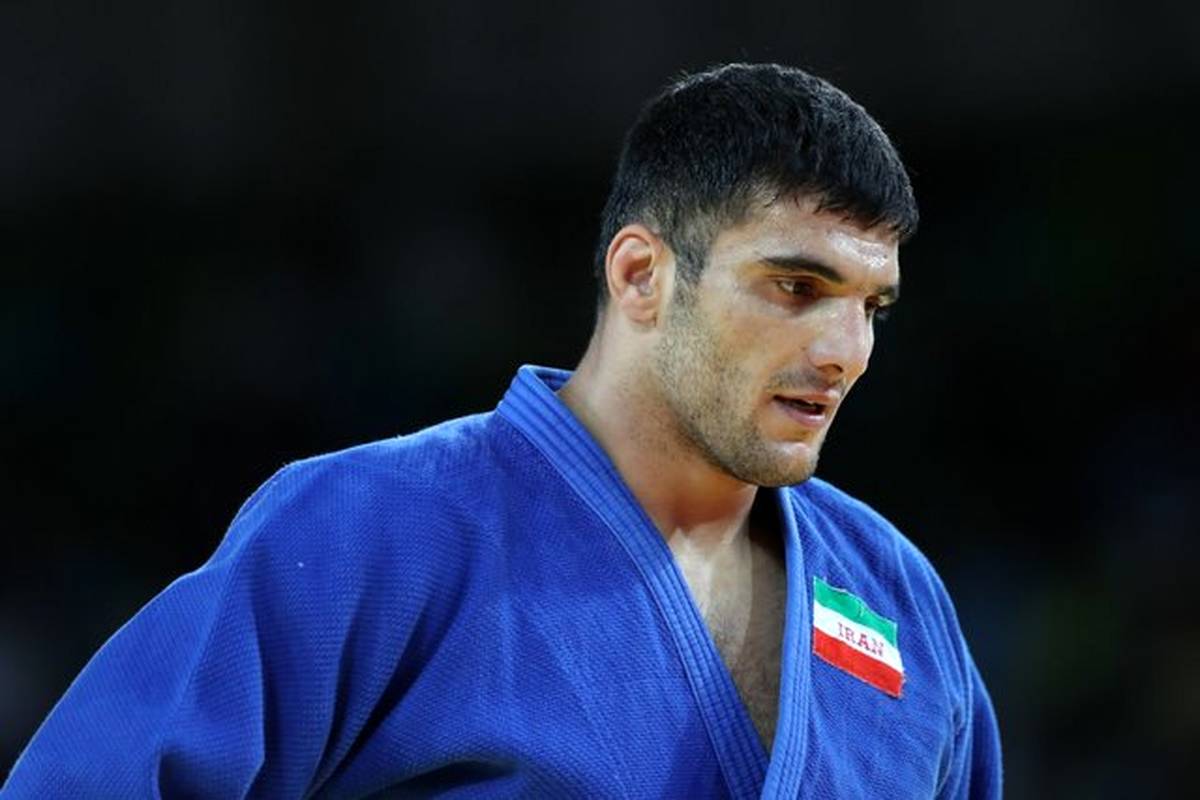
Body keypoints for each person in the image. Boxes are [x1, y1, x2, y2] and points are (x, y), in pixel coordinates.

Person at [4, 63, 1001, 799]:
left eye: (872, 305)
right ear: (641, 275)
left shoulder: (898, 597)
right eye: (796, 286)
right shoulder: (371, 533)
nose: (845, 350)